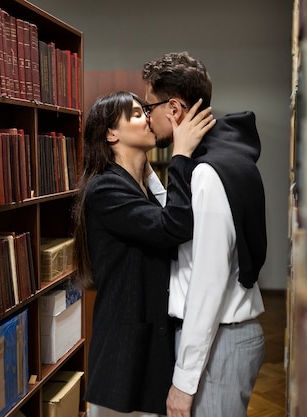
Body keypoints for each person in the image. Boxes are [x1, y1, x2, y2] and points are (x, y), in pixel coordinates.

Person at [71, 91, 216, 417]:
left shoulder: (139, 187)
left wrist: (150, 170)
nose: (148, 118)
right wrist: (179, 156)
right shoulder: (105, 189)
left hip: (148, 351)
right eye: (137, 114)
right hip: (123, 357)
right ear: (112, 134)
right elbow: (174, 225)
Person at [142, 52, 267, 417]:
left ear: (175, 109)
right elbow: (185, 225)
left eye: (150, 107)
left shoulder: (207, 174)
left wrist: (183, 382)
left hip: (218, 345)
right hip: (221, 340)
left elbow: (207, 284)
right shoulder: (223, 155)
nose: (147, 118)